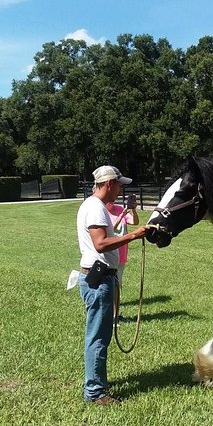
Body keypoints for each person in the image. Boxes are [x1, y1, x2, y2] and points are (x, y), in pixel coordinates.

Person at [76, 165, 148, 406]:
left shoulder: (93, 206)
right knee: (97, 337)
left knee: (99, 335)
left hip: (100, 278)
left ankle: (96, 382)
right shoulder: (95, 208)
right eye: (119, 184)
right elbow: (101, 243)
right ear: (109, 184)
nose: (120, 189)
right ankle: (95, 392)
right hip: (99, 281)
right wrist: (134, 236)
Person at [105, 194, 139, 325]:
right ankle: (112, 316)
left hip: (122, 254)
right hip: (110, 255)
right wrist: (123, 213)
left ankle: (115, 315)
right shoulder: (103, 213)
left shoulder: (119, 208)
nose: (111, 202)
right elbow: (111, 230)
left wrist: (133, 210)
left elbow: (135, 222)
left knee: (118, 285)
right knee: (112, 286)